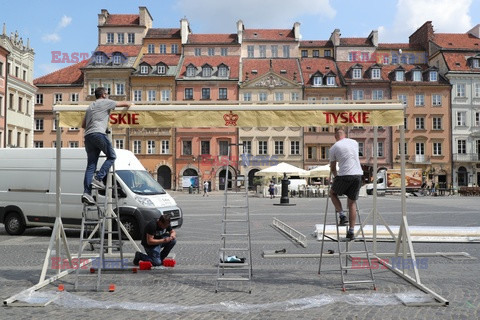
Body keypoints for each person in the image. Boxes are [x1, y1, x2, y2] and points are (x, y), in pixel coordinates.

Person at [81, 87, 132, 205]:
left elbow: (83, 124)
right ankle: (98, 179)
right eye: (107, 93)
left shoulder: (90, 107)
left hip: (88, 136)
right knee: (112, 156)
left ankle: (86, 193)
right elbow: (124, 103)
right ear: (103, 94)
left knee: (90, 166)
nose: (108, 95)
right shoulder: (106, 102)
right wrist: (131, 103)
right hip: (98, 133)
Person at [329, 127, 363, 241]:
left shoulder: (334, 147)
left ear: (335, 136)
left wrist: (335, 176)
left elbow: (333, 167)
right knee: (352, 203)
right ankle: (351, 231)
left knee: (332, 193)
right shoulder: (354, 142)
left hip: (345, 175)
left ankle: (342, 215)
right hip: (358, 174)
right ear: (345, 133)